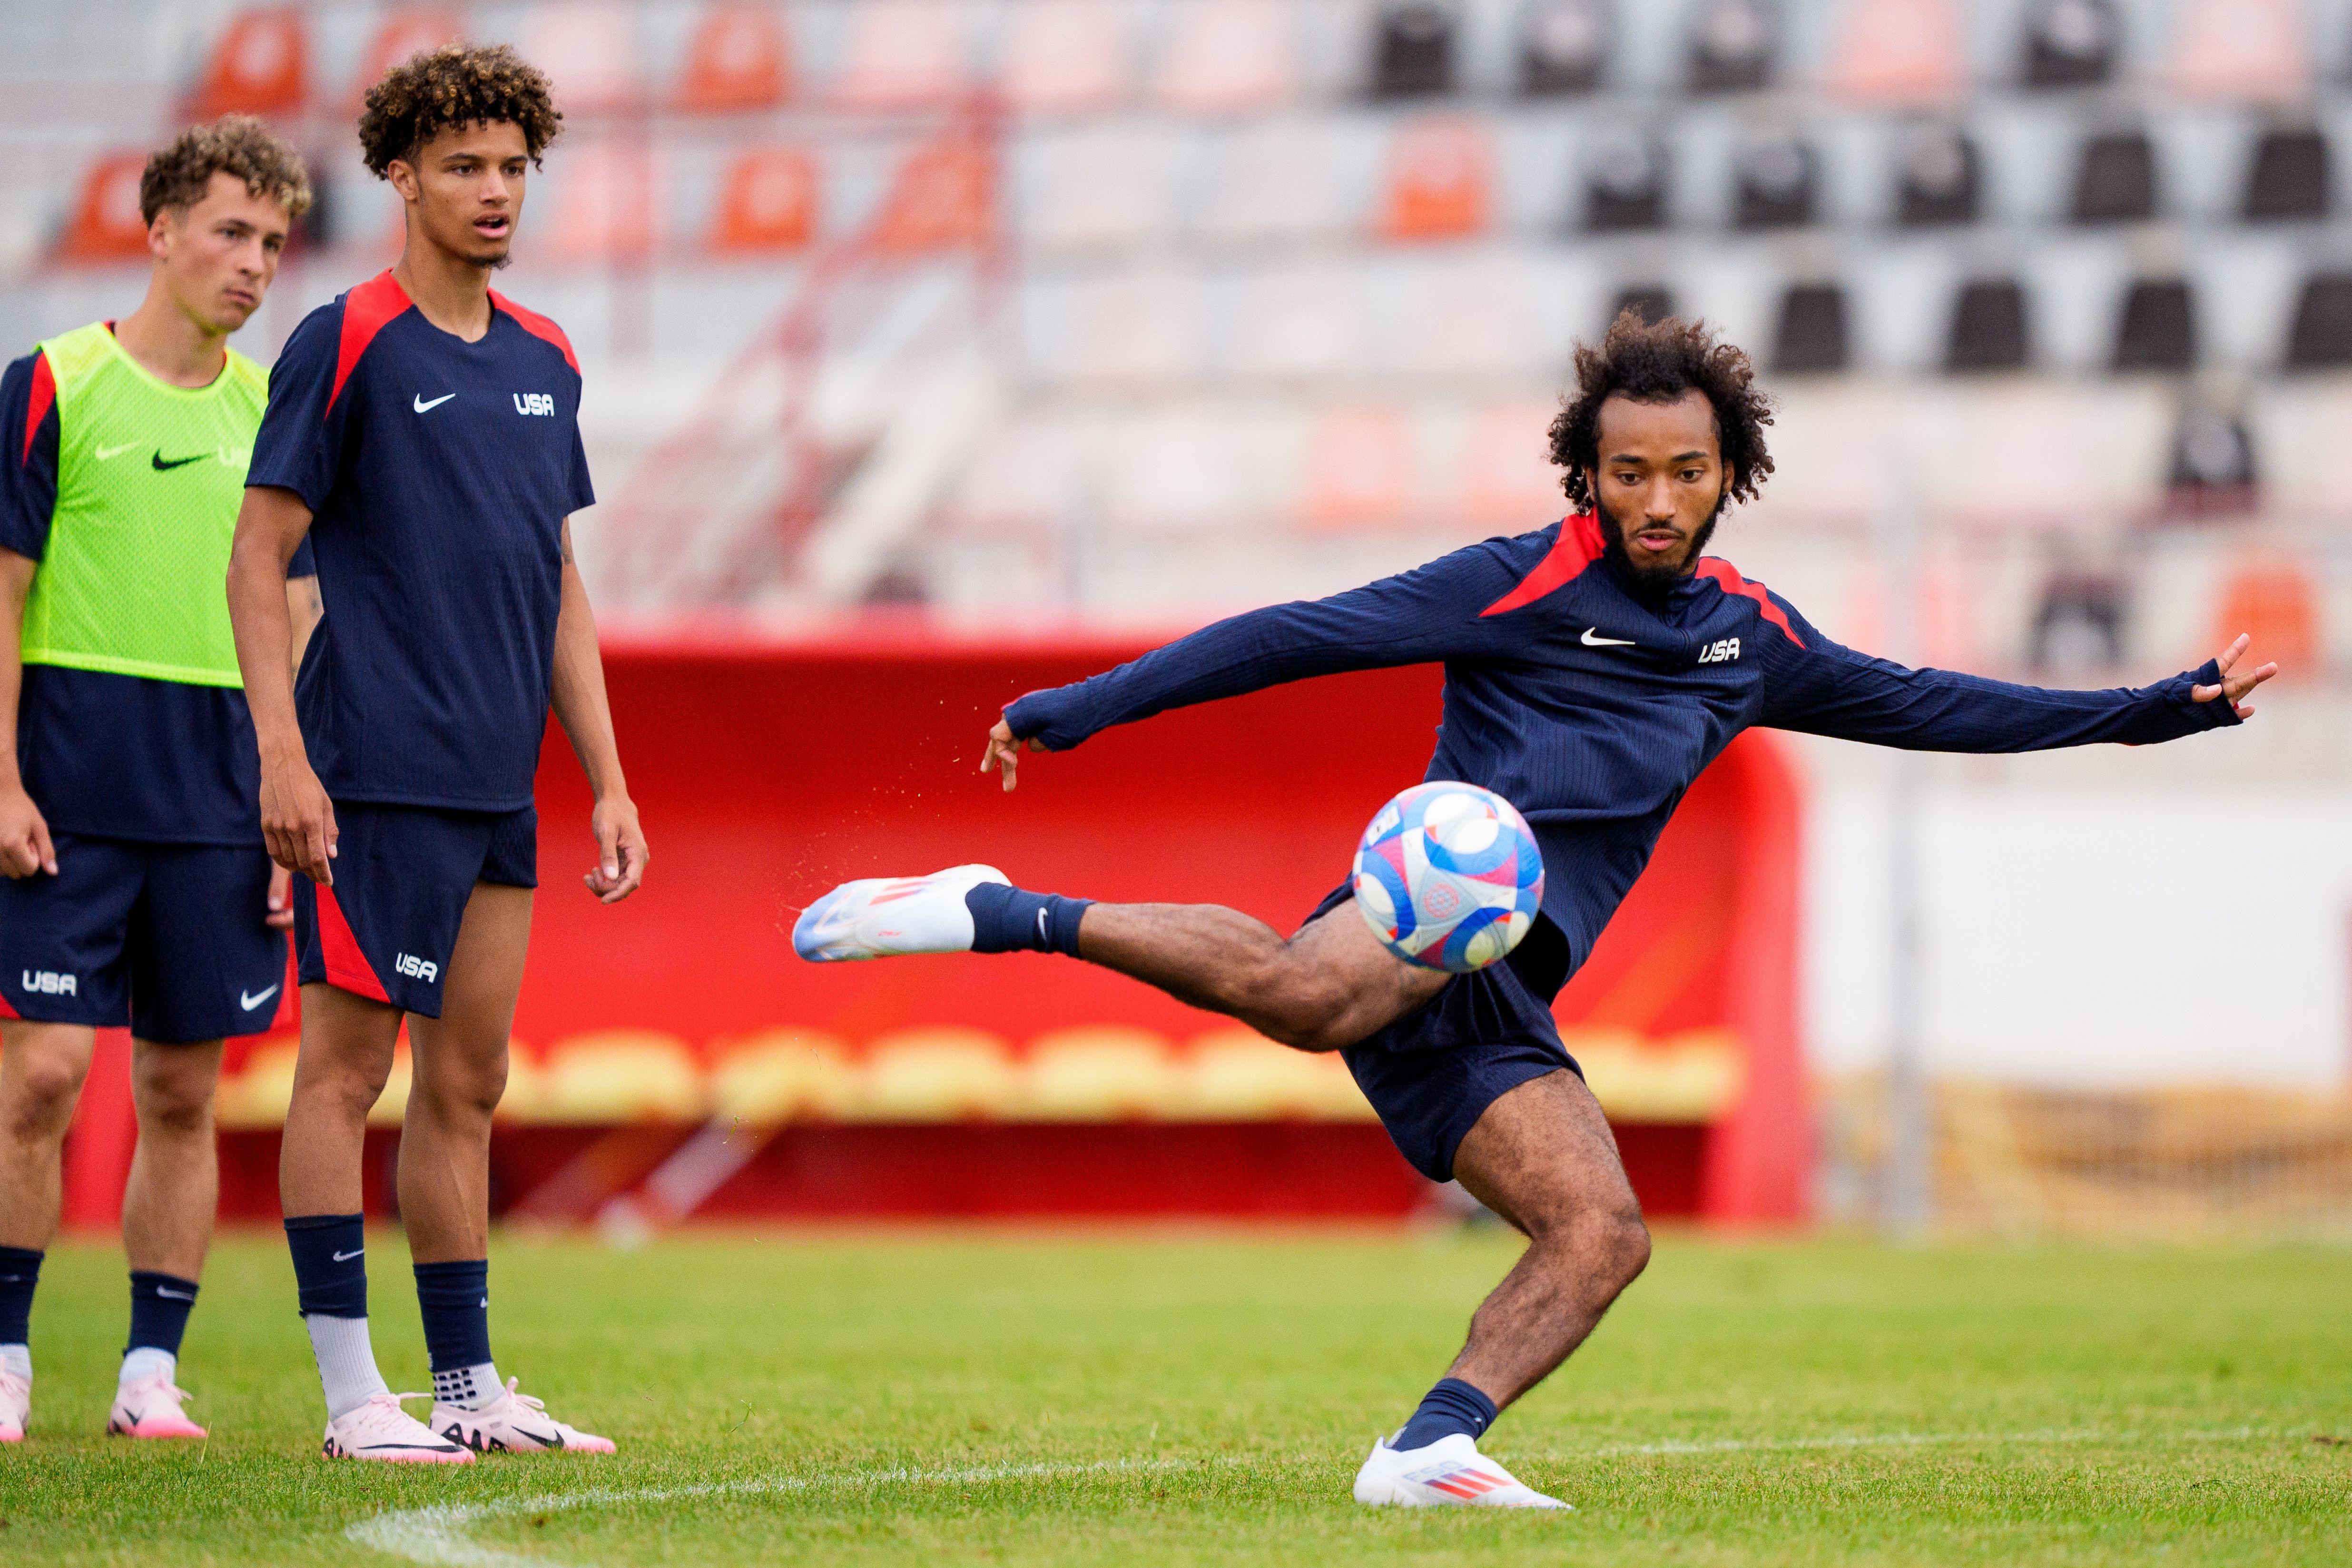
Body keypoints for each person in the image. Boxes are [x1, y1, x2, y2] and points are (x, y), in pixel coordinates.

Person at [793, 312, 2274, 1509]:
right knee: (1316, 998)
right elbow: (1290, 639)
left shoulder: (1748, 643)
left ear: (1729, 473)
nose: (1653, 498)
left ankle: (1429, 1445)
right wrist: (1083, 708)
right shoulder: (1510, 583)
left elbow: (1933, 703)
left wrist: (2153, 712)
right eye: (1626, 471)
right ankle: (1005, 912)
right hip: (1422, 910)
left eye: (1683, 472)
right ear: (1588, 471)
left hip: (1506, 991)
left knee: (1604, 1231)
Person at [226, 43, 647, 1465]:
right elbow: (257, 553)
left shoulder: (549, 357)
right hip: (368, 775)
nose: (492, 192)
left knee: (470, 1086)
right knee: (344, 1076)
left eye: (512, 168)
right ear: (400, 177)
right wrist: (281, 756)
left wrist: (606, 777)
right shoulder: (342, 339)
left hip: (497, 789)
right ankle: (357, 1400)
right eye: (463, 166)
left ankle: (467, 1392)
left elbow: (559, 580)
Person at [0, 118, 319, 1445]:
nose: (253, 265)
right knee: (41, 1077)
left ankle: (149, 1373)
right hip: (67, 785)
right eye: (232, 233)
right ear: (161, 231)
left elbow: (300, 618)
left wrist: (287, 795)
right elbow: (5, 597)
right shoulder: (49, 384)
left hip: (218, 799)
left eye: (273, 243)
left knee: (185, 1093)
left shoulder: (273, 412)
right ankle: (8, 1360)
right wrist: (3, 777)